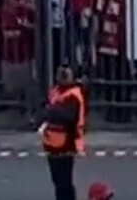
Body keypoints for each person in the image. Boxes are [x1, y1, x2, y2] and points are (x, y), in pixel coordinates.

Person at [39, 65, 87, 200]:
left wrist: (50, 111)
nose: (62, 77)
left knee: (64, 181)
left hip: (67, 143)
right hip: (51, 142)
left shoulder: (74, 95)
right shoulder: (55, 91)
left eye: (65, 74)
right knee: (58, 180)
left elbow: (68, 117)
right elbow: (44, 110)